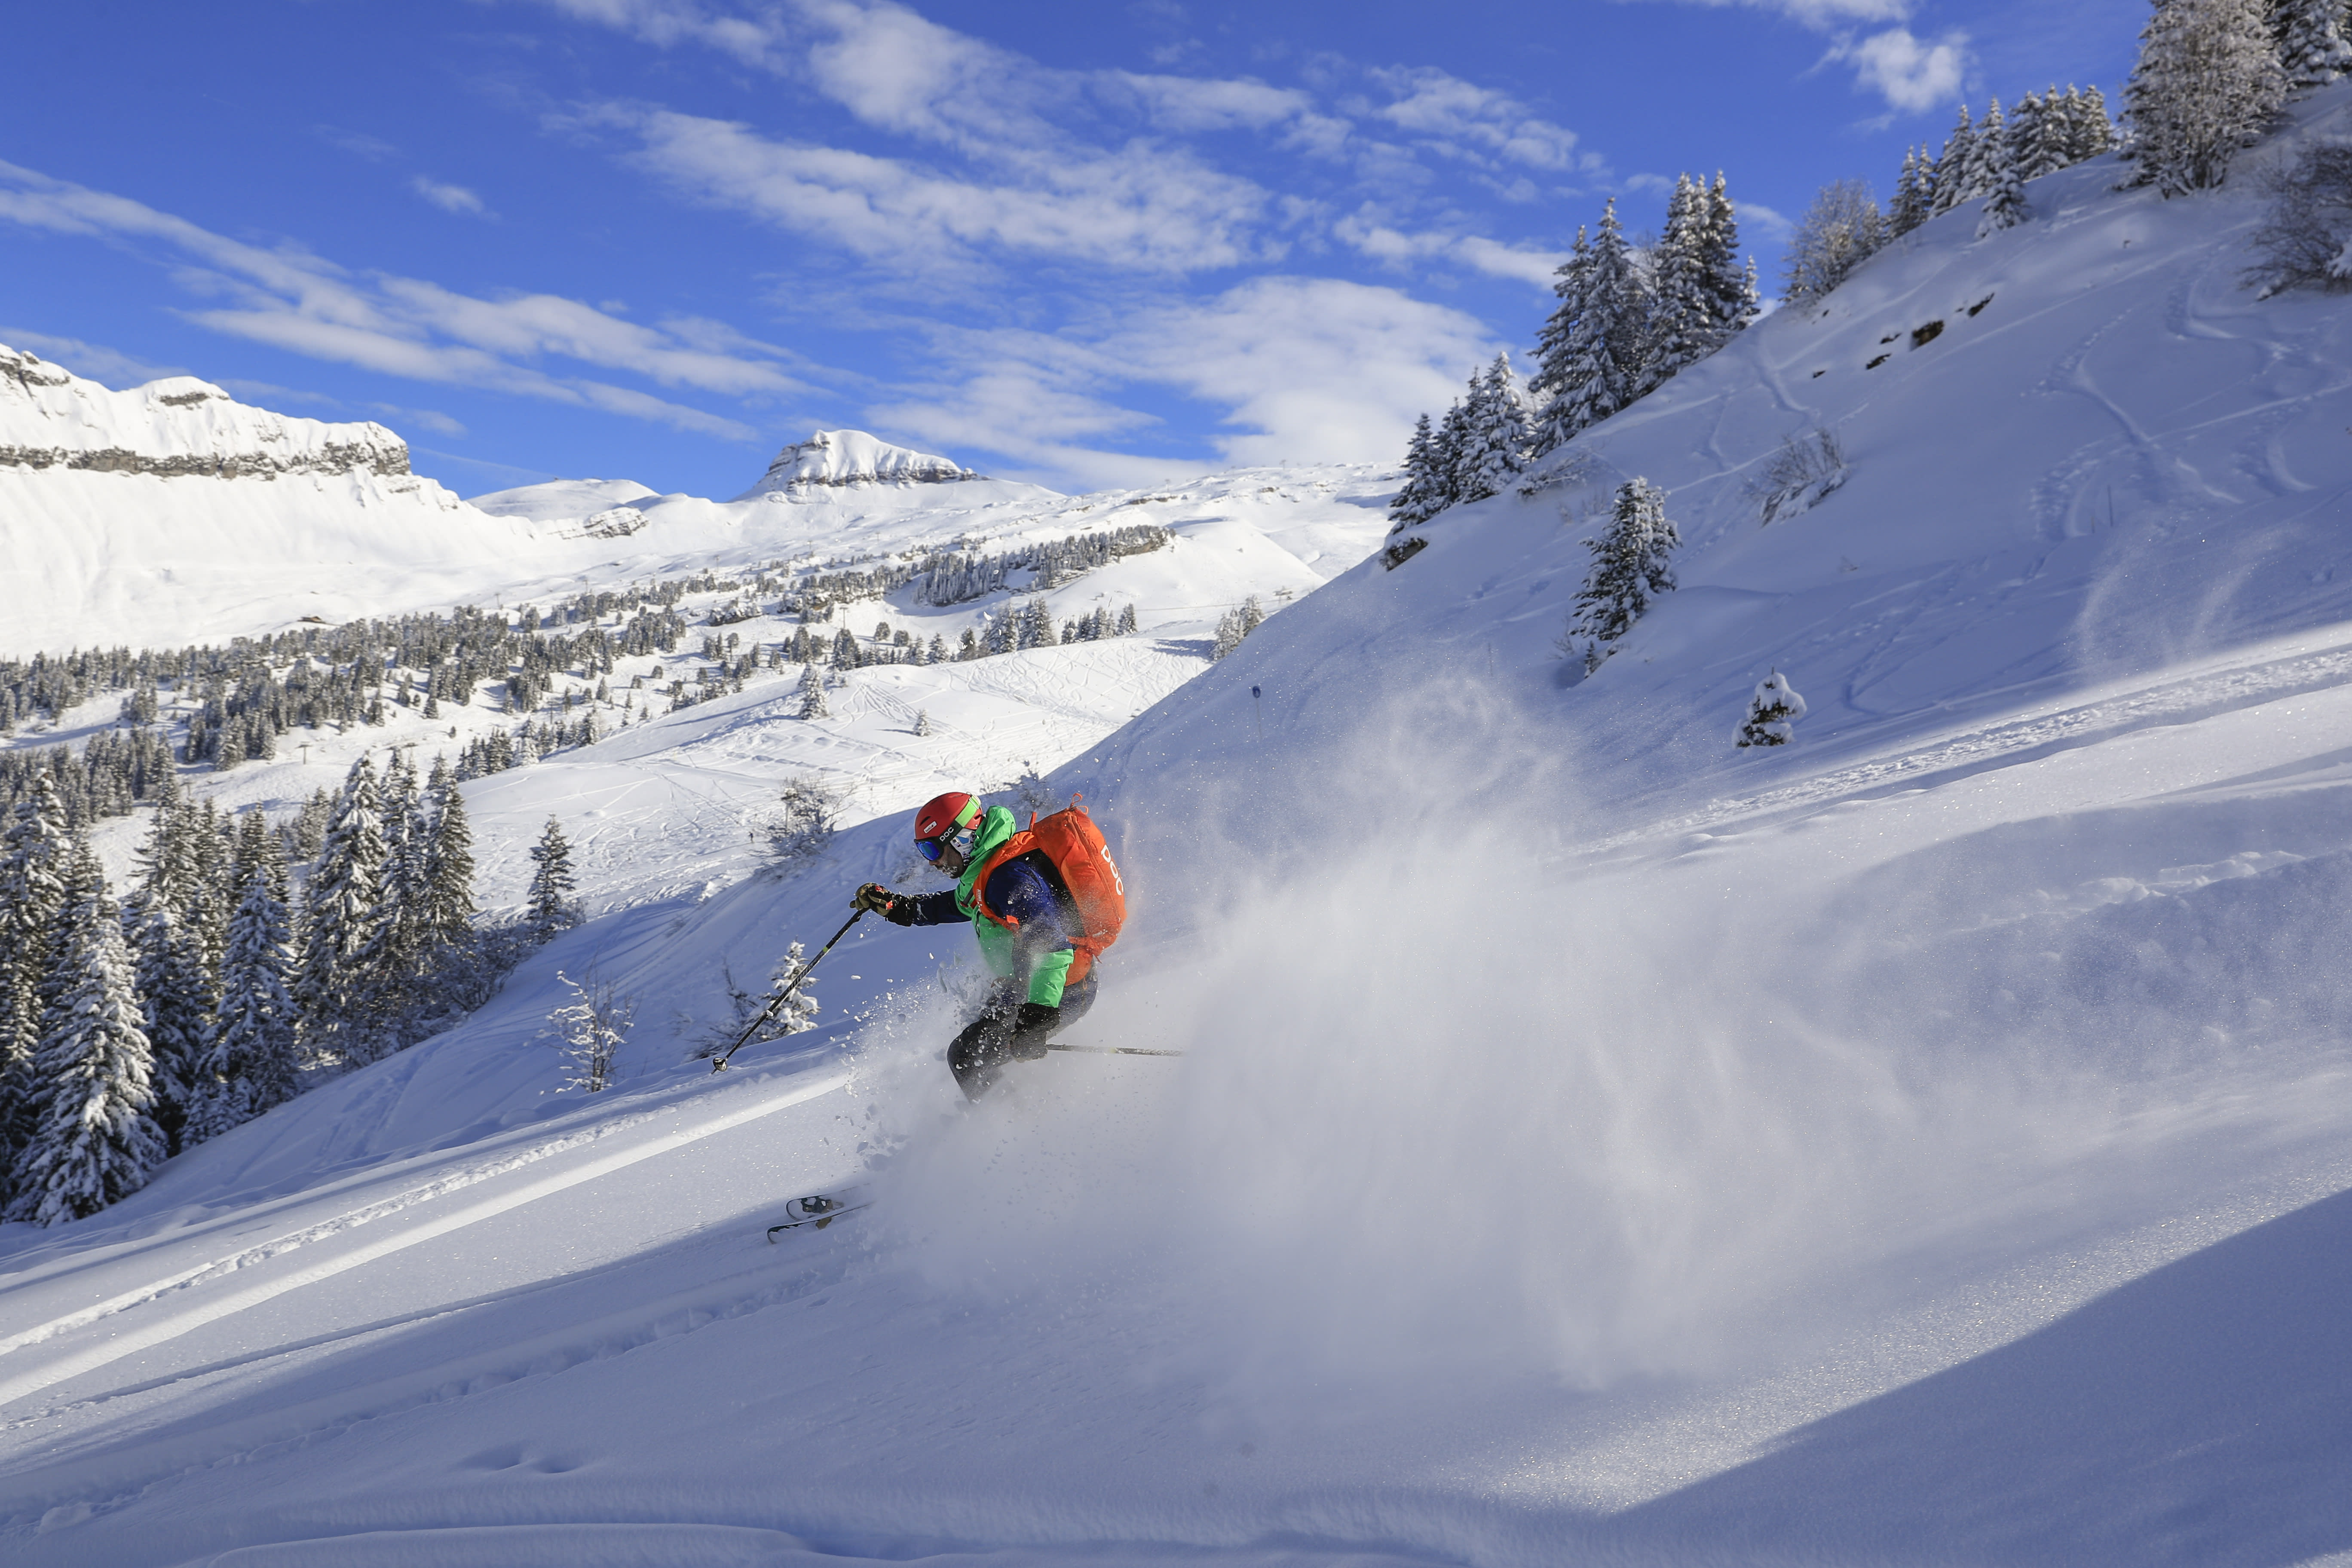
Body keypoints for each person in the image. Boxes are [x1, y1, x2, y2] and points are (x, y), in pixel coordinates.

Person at [853, 790, 1101, 1099]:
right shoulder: (987, 871)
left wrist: (1039, 1016)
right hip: (1025, 986)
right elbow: (962, 905)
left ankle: (1012, 1129)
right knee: (972, 1047)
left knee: (967, 1057)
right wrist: (901, 907)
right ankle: (1014, 1110)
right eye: (924, 852)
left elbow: (1053, 945)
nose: (933, 863)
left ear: (961, 838)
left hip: (1062, 991)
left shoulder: (1009, 879)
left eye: (934, 850)